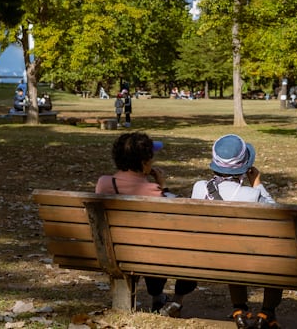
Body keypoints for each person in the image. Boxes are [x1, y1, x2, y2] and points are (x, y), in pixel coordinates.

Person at [95, 132, 195, 316]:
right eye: (151, 157)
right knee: (170, 246)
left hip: (113, 252)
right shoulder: (152, 191)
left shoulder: (103, 183)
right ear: (143, 163)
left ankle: (157, 298)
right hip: (147, 253)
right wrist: (163, 186)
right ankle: (172, 301)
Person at [191, 135, 283, 329]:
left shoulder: (199, 188)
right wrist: (257, 183)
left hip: (205, 259)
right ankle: (267, 312)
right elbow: (277, 216)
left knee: (231, 249)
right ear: (245, 166)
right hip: (243, 260)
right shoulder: (252, 195)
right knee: (275, 256)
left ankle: (239, 308)